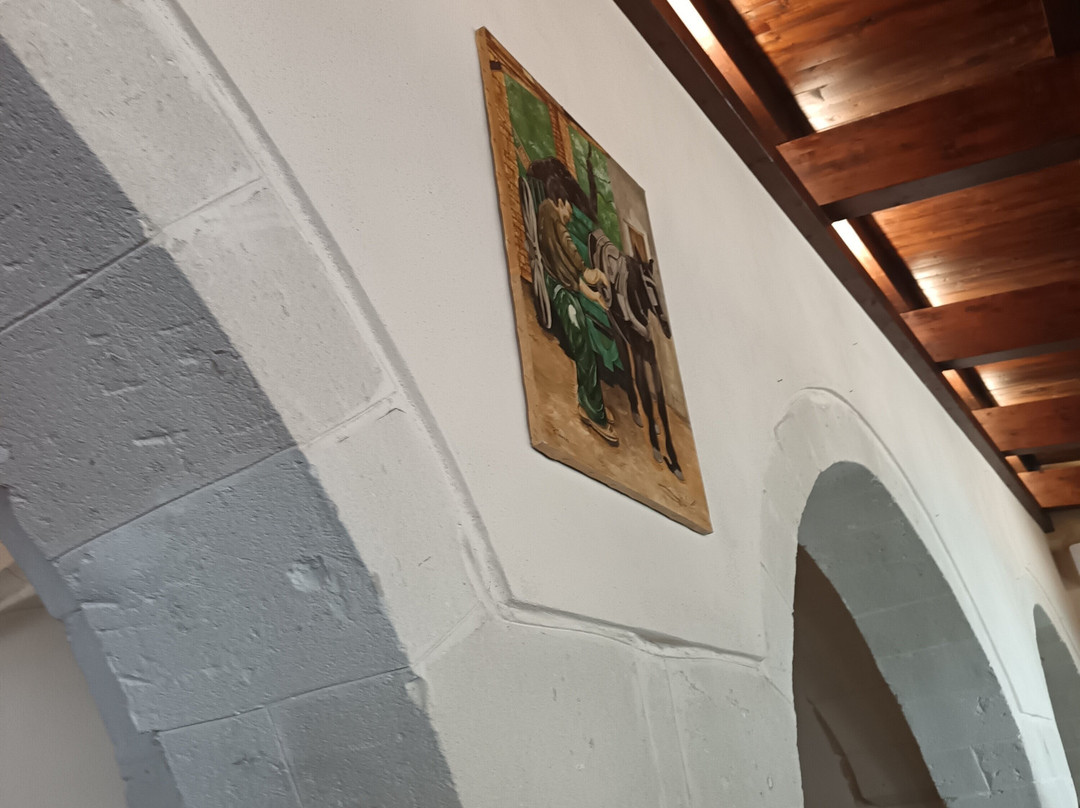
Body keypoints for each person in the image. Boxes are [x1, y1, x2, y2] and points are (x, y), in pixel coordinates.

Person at [535, 169, 620, 446]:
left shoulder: (549, 220)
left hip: (565, 286)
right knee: (582, 344)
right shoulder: (553, 221)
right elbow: (576, 265)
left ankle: (589, 401)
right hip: (560, 291)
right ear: (560, 202)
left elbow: (572, 274)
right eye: (569, 207)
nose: (570, 214)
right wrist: (593, 274)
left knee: (584, 343)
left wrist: (593, 295)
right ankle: (594, 413)